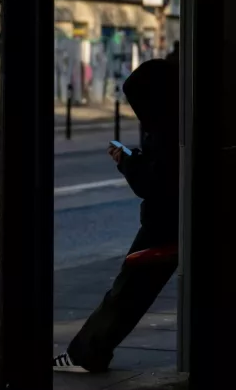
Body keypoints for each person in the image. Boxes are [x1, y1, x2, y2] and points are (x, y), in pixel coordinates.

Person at [54, 58, 179, 373]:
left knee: (129, 290)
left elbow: (153, 183)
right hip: (177, 217)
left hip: (165, 222)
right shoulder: (178, 118)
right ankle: (87, 351)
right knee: (131, 290)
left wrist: (126, 162)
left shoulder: (163, 129)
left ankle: (86, 353)